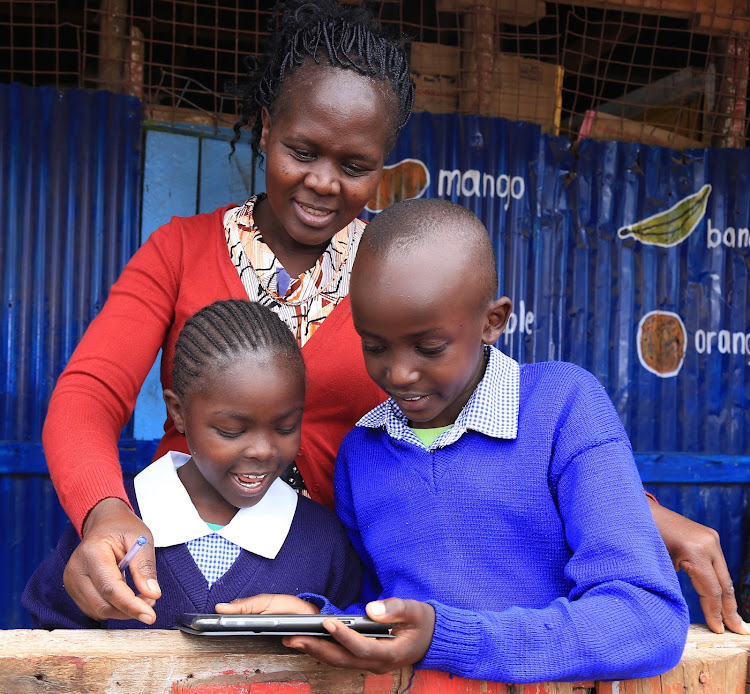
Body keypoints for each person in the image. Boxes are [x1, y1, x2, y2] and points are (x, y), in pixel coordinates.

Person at [41, 0, 745, 635]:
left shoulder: (395, 271)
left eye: (355, 164)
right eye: (302, 151)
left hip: (336, 571)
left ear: (383, 164)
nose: (323, 182)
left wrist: (635, 508)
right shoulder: (180, 251)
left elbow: (493, 405)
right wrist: (104, 511)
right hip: (186, 553)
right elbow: (87, 396)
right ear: (266, 131)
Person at [221, 199, 690, 683]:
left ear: (493, 321)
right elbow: (388, 613)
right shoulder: (362, 452)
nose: (398, 373)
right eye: (374, 346)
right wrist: (321, 618)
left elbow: (647, 618)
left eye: (429, 347)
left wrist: (446, 636)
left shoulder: (562, 407)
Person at [23, 299, 361, 629]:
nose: (262, 450)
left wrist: (318, 618)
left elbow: (351, 647)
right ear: (178, 412)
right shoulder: (115, 529)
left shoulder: (322, 539)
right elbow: (51, 632)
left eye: (286, 428)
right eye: (232, 430)